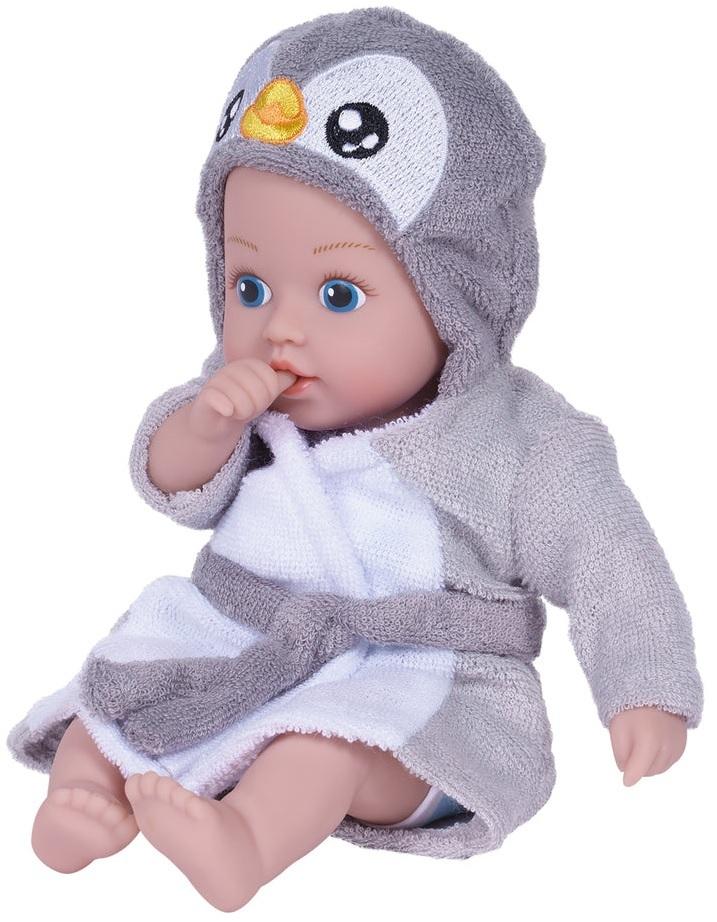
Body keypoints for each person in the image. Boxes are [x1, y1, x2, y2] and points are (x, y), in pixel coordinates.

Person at [7, 7, 703, 914]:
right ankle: (83, 798)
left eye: (337, 293)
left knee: (326, 746)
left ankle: (245, 841)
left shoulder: (520, 441)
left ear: (454, 299)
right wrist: (206, 427)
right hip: (239, 632)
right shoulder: (236, 392)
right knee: (120, 683)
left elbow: (610, 558)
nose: (278, 327)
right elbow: (172, 485)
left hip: (417, 674)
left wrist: (643, 689)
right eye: (249, 285)